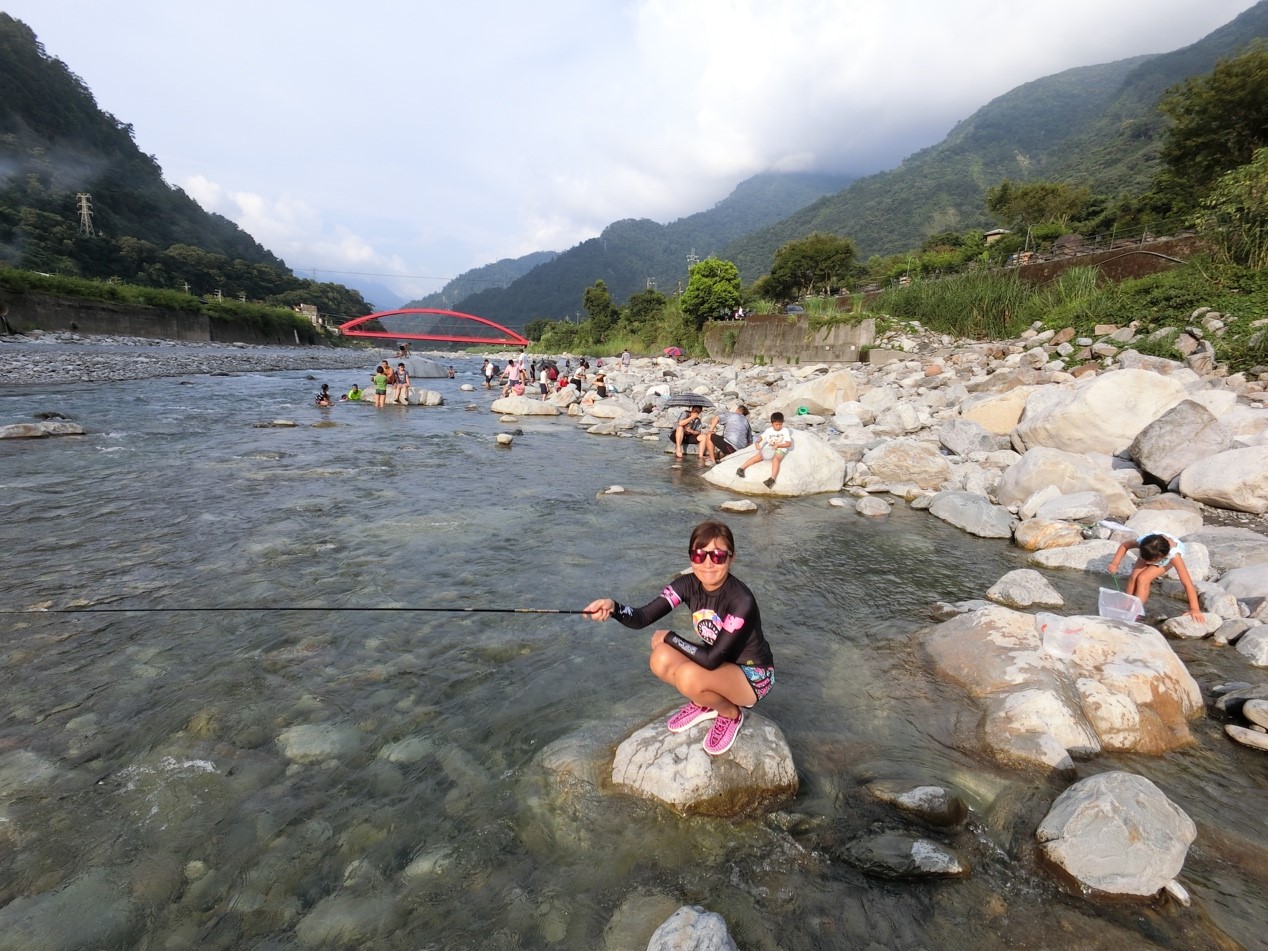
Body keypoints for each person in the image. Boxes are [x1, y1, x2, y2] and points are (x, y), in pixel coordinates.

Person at [582, 520, 774, 756]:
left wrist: (671, 637)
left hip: (753, 676)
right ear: (690, 557)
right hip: (719, 665)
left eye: (717, 556)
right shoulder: (686, 585)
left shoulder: (741, 601)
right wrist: (614, 608)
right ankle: (706, 701)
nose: (707, 564)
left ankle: (730, 714)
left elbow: (712, 660)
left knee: (686, 674)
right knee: (660, 658)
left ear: (731, 558)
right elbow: (642, 617)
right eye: (698, 555)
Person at [1107, 533, 1204, 622]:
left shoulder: (1174, 556)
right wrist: (1115, 563)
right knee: (1134, 577)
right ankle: (1126, 603)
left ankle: (1136, 611)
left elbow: (1187, 583)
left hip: (1164, 558)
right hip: (1153, 548)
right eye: (1145, 559)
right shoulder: (1143, 543)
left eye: (1150, 562)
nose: (1147, 564)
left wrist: (1194, 609)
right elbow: (1124, 545)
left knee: (1143, 579)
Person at [736, 412, 793, 487]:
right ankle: (741, 468)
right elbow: (761, 437)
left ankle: (772, 479)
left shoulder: (784, 430)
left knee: (775, 459)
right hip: (769, 448)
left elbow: (789, 443)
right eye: (776, 425)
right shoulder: (769, 430)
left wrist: (779, 445)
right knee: (759, 456)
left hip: (780, 449)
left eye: (780, 424)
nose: (779, 426)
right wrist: (757, 443)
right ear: (772, 424)